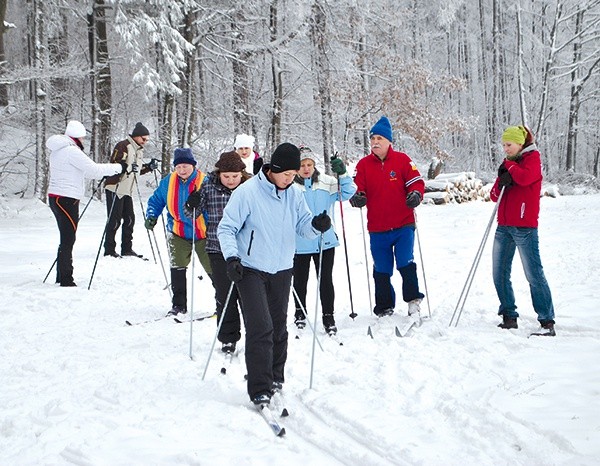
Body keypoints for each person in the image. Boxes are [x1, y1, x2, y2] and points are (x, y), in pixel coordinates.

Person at [217, 142, 331, 405]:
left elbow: (303, 226)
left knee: (279, 327)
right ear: (273, 169)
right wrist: (232, 258)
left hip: (282, 267)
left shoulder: (294, 193)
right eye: (286, 174)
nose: (291, 179)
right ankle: (259, 388)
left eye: (294, 175)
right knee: (261, 327)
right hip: (250, 268)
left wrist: (316, 225)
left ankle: (275, 376)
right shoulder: (247, 192)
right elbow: (226, 228)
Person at [350, 116, 425, 318]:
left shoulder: (403, 160)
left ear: (389, 141)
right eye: (373, 138)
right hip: (377, 227)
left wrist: (416, 194)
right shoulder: (364, 165)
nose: (375, 142)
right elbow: (357, 188)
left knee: (405, 261)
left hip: (403, 224)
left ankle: (413, 301)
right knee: (382, 267)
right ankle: (384, 307)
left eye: (379, 138)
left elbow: (416, 182)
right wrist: (358, 197)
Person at [491, 125, 556, 336]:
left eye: (509, 145)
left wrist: (509, 169)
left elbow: (525, 178)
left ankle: (547, 321)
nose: (505, 149)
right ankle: (509, 315)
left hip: (525, 228)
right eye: (503, 145)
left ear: (520, 143)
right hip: (504, 226)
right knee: (499, 273)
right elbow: (494, 195)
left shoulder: (533, 159)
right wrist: (501, 181)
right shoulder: (508, 163)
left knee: (533, 274)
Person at [184, 151, 250, 353]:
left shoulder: (251, 188)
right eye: (226, 176)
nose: (230, 180)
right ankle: (228, 337)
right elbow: (190, 214)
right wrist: (191, 203)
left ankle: (255, 335)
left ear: (242, 174)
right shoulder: (209, 187)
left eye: (235, 176)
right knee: (225, 294)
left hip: (247, 250)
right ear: (219, 173)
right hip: (217, 248)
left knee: (249, 295)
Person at [47, 120, 122, 287]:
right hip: (67, 199)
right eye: (82, 137)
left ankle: (61, 275)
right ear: (78, 137)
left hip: (56, 197)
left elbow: (84, 171)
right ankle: (66, 279)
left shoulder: (58, 151)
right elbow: (94, 170)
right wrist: (118, 168)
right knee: (68, 238)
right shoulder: (71, 151)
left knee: (65, 237)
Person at [292, 147, 356, 335]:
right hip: (300, 241)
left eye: (309, 164)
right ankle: (300, 313)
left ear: (314, 165)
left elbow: (347, 192)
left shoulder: (327, 182)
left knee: (325, 280)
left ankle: (328, 317)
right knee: (300, 280)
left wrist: (342, 173)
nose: (306, 168)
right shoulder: (291, 186)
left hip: (325, 240)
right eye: (302, 165)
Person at [144, 147, 212, 316]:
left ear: (193, 166)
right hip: (177, 232)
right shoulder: (168, 181)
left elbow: (215, 206)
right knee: (177, 268)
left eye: (186, 166)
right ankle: (179, 305)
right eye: (178, 167)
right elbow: (156, 201)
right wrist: (152, 215)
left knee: (214, 269)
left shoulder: (205, 181)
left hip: (204, 233)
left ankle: (223, 303)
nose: (182, 170)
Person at [103, 122, 158, 258]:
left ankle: (127, 248)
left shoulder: (138, 150)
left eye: (147, 140)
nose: (145, 142)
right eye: (143, 139)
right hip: (115, 187)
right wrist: (128, 167)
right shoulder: (124, 145)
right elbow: (116, 165)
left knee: (129, 219)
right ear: (136, 136)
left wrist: (149, 167)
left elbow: (136, 170)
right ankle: (109, 249)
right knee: (114, 220)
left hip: (127, 190)